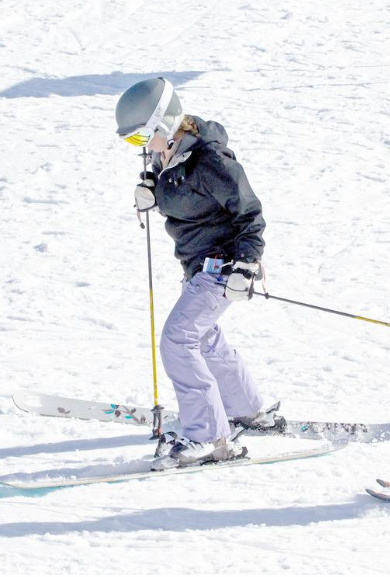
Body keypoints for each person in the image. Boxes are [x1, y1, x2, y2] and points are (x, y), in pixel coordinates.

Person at [114, 77, 284, 469]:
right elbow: (187, 198)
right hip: (197, 267)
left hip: (225, 265)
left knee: (179, 339)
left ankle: (209, 436)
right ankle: (248, 410)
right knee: (204, 338)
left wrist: (246, 265)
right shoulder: (166, 157)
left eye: (140, 139)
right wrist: (153, 193)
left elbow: (250, 214)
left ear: (163, 126)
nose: (139, 149)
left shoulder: (210, 161)